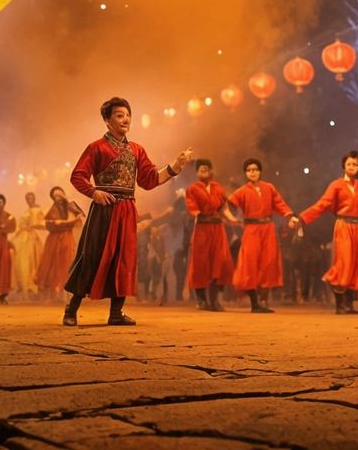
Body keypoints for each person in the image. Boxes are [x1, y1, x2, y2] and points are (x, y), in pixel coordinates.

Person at [62, 95, 191, 327]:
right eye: (119, 115)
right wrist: (94, 193)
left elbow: (150, 180)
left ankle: (116, 313)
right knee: (92, 256)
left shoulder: (136, 150)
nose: (126, 120)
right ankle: (71, 309)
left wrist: (175, 166)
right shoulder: (96, 148)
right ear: (107, 120)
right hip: (104, 210)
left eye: (128, 115)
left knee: (125, 259)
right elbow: (77, 176)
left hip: (127, 210)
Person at [299, 151, 358, 314]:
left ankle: (349, 304)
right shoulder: (336, 185)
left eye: (355, 164)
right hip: (344, 226)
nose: (352, 167)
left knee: (357, 264)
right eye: (349, 164)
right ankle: (340, 305)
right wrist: (303, 217)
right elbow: (323, 204)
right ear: (344, 165)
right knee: (344, 262)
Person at [225, 158, 292, 314]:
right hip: (251, 229)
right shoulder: (242, 191)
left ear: (260, 171)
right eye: (249, 170)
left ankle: (263, 301)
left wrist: (290, 215)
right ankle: (255, 303)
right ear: (245, 173)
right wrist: (231, 218)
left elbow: (280, 204)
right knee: (250, 264)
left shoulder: (269, 187)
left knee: (267, 263)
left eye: (255, 169)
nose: (252, 172)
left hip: (268, 229)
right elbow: (227, 205)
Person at [184, 158, 236, 311]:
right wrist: (197, 213)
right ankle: (201, 300)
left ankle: (214, 300)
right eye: (201, 168)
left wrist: (233, 219)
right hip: (202, 228)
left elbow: (224, 207)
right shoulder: (192, 188)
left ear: (211, 171)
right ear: (197, 172)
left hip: (217, 229)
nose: (204, 170)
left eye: (207, 168)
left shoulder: (218, 188)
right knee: (201, 263)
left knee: (219, 262)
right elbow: (191, 206)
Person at [39, 186, 83, 294]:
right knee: (54, 264)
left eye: (59, 195)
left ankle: (68, 288)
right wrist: (62, 224)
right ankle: (55, 290)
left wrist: (65, 223)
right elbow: (49, 224)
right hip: (54, 240)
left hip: (69, 237)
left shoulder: (71, 205)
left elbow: (80, 218)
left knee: (68, 261)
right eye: (55, 196)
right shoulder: (52, 210)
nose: (58, 198)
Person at [12, 192, 45, 299]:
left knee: (31, 260)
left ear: (34, 198)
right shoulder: (27, 211)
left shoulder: (37, 210)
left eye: (31, 198)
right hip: (23, 237)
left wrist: (31, 226)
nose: (29, 200)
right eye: (28, 198)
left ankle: (32, 286)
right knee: (20, 260)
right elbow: (20, 224)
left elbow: (41, 223)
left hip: (31, 237)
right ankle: (23, 286)